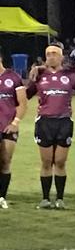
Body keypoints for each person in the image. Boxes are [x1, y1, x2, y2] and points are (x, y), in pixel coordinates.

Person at [26, 42, 75, 209]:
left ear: (61, 56)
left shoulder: (71, 75)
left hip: (64, 121)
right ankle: (45, 199)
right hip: (44, 121)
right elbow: (25, 95)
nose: (51, 56)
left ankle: (59, 198)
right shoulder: (39, 76)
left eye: (54, 53)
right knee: (46, 162)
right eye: (48, 53)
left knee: (60, 162)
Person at [0, 50, 28, 209]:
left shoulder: (13, 77)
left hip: (8, 127)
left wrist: (15, 122)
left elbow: (23, 104)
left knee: (5, 161)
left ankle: (2, 197)